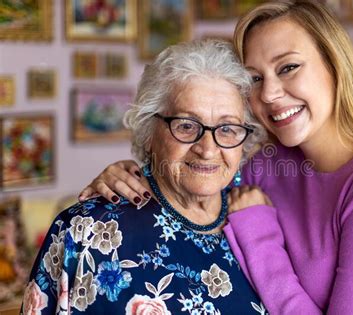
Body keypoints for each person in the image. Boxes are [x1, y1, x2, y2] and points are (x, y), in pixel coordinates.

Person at [79, 1, 353, 314]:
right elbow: (192, 191)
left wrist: (259, 235)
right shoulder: (267, 165)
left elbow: (252, 234)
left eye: (288, 67)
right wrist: (131, 176)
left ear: (336, 65)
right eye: (254, 78)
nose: (270, 93)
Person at [22, 39, 269, 314]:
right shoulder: (85, 231)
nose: (208, 150)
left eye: (227, 128)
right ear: (149, 131)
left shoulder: (260, 222)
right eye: (186, 126)